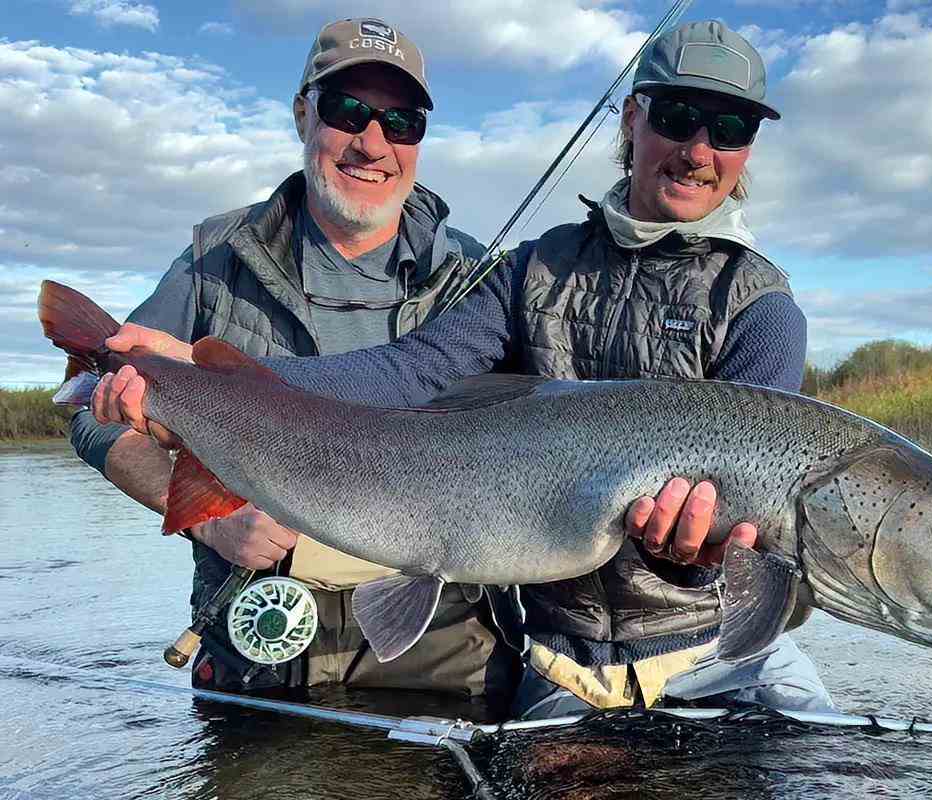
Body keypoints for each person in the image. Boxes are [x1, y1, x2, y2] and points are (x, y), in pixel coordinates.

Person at [91, 20, 837, 718]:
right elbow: (416, 369)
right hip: (562, 660)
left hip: (721, 650)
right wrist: (205, 375)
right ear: (632, 120)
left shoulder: (762, 307)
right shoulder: (528, 271)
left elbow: (764, 541)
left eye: (730, 129)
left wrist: (694, 559)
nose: (700, 150)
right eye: (676, 118)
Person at [70, 17, 524, 705]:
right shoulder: (215, 259)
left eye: (401, 122)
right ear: (303, 113)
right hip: (259, 629)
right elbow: (87, 406)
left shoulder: (479, 280)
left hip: (447, 644)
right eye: (349, 112)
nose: (373, 143)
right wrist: (208, 519)